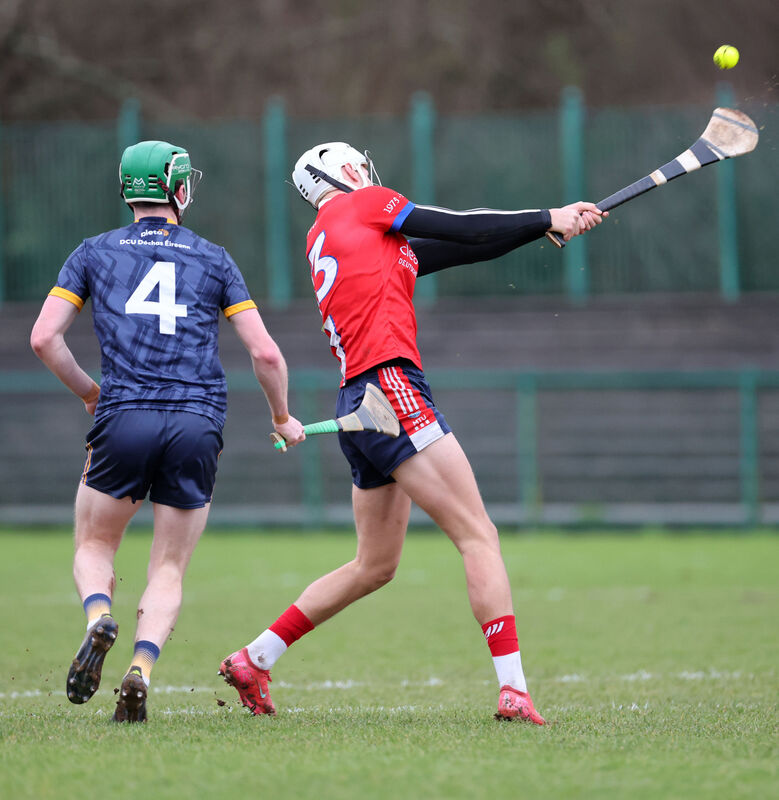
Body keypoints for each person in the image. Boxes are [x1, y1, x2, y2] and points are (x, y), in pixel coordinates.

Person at [219, 142, 607, 723]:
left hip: (358, 402)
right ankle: (514, 691)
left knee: (374, 565)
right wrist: (548, 215)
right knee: (479, 535)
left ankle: (256, 657)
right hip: (391, 389)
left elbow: (463, 246)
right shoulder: (368, 205)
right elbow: (459, 225)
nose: (367, 171)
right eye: (359, 165)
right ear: (344, 172)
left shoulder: (335, 234)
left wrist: (542, 229)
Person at [30, 140, 304, 723]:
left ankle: (98, 615)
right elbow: (267, 355)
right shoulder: (214, 258)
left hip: (123, 415)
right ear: (179, 188)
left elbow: (43, 339)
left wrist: (88, 392)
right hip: (197, 422)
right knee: (169, 566)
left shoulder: (92, 253)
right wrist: (282, 417)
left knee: (96, 544)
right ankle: (141, 668)